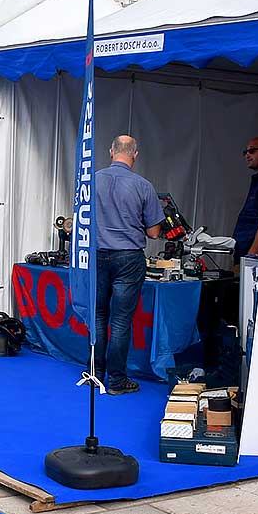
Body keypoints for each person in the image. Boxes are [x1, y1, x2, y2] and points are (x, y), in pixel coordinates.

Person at [95, 135, 164, 395]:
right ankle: (117, 381)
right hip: (128, 256)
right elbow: (155, 232)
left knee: (99, 316)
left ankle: (96, 374)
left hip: (98, 253)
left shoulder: (92, 180)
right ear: (135, 155)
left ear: (111, 151)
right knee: (121, 320)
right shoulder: (143, 186)